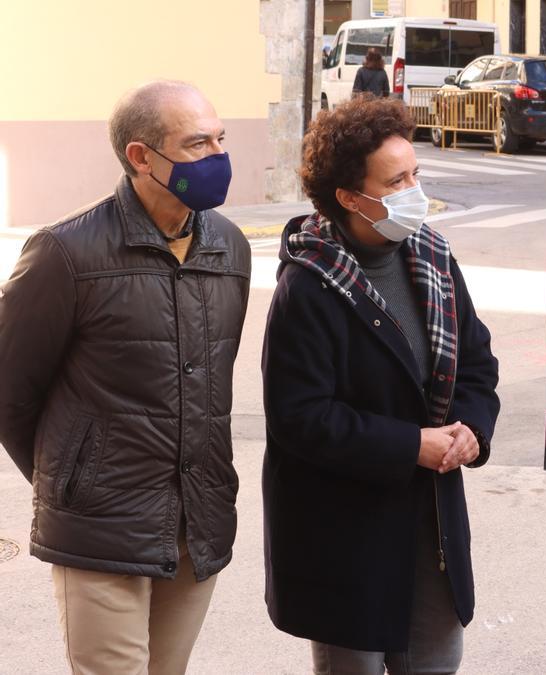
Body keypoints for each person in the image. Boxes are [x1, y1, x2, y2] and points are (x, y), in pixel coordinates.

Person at [0, 80, 250, 673]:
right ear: (141, 157)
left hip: (198, 524)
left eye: (220, 139)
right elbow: (9, 391)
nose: (216, 157)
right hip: (100, 533)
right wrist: (77, 484)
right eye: (196, 144)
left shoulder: (231, 249)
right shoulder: (66, 252)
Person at [261, 95, 500, 673]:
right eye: (396, 181)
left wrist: (470, 428)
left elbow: (476, 362)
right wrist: (410, 444)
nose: (415, 190)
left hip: (430, 520)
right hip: (346, 530)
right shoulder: (309, 286)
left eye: (415, 172)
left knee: (435, 662)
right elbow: (301, 418)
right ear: (349, 198)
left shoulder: (434, 256)